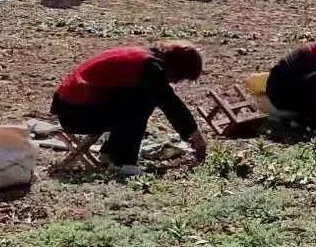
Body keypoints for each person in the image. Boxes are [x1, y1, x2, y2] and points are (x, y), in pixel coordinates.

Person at [51, 42, 207, 177]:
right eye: (181, 78)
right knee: (142, 103)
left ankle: (111, 154)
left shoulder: (144, 58)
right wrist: (195, 135)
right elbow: (171, 104)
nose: (176, 82)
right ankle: (124, 163)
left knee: (139, 97)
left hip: (71, 108)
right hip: (75, 115)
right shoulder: (151, 68)